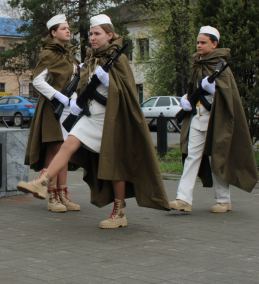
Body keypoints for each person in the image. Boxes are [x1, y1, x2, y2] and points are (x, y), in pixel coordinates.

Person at [18, 14, 170, 228]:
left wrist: (109, 82)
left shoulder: (119, 59)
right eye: (91, 34)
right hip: (91, 115)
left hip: (112, 118)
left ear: (109, 34)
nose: (93, 38)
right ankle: (43, 182)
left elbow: (127, 92)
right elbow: (83, 85)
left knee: (114, 165)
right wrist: (79, 101)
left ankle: (119, 212)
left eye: (97, 34)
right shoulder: (91, 58)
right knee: (68, 144)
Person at [169, 26, 258, 213]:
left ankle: (223, 200)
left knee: (217, 157)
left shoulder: (220, 66)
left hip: (216, 119)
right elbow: (193, 89)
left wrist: (214, 91)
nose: (199, 45)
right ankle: (183, 198)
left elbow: (229, 95)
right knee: (192, 157)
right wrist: (187, 100)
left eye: (203, 42)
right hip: (198, 118)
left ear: (214, 44)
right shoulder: (198, 64)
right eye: (198, 42)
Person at [25, 14, 81, 212]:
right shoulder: (48, 54)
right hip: (52, 107)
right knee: (55, 149)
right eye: (63, 28)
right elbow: (38, 81)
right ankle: (52, 197)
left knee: (65, 149)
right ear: (53, 32)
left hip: (68, 107)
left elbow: (75, 79)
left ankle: (63, 194)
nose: (68, 30)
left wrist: (73, 98)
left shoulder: (69, 54)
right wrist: (59, 96)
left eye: (68, 28)